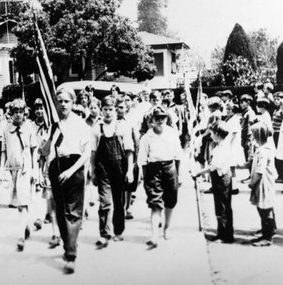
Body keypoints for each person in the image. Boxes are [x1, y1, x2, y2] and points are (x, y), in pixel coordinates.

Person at [44, 87, 91, 274]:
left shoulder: (80, 124)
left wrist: (71, 171)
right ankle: (68, 246)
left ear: (73, 103)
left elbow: (86, 152)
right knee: (61, 211)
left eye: (66, 101)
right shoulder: (54, 124)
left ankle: (71, 255)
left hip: (74, 167)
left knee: (73, 211)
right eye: (60, 101)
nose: (63, 104)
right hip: (57, 167)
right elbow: (46, 151)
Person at [90, 96, 134, 248]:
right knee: (105, 202)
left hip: (120, 168)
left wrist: (130, 171)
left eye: (110, 109)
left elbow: (129, 151)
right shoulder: (97, 128)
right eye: (105, 110)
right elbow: (93, 153)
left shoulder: (122, 127)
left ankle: (119, 231)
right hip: (103, 168)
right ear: (101, 110)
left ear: (115, 110)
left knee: (118, 201)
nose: (108, 113)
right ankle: (104, 233)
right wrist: (93, 171)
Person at [137, 106, 182, 248]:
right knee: (155, 203)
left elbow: (178, 155)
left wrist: (178, 175)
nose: (160, 120)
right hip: (153, 169)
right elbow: (143, 160)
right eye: (157, 118)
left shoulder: (172, 134)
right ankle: (154, 235)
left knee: (170, 201)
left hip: (170, 167)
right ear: (152, 120)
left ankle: (166, 229)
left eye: (163, 117)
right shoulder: (146, 137)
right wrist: (144, 178)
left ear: (167, 118)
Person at [0, 99, 38, 252]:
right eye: (15, 112)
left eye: (20, 112)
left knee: (23, 202)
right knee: (19, 202)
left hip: (25, 169)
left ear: (24, 113)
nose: (18, 115)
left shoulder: (29, 128)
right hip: (11, 169)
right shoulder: (6, 129)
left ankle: (21, 236)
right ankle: (26, 226)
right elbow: (3, 150)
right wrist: (3, 170)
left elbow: (34, 150)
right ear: (11, 113)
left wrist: (35, 170)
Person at [192, 121, 234, 243]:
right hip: (218, 180)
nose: (210, 136)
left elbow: (213, 167)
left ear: (217, 133)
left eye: (211, 133)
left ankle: (226, 236)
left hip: (222, 180)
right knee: (219, 207)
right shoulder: (219, 146)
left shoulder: (222, 149)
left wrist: (198, 173)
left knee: (223, 208)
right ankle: (220, 233)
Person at [244, 122, 277, 246]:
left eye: (253, 134)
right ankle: (266, 231)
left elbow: (260, 171)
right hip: (262, 182)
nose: (252, 136)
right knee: (263, 207)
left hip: (263, 183)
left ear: (258, 135)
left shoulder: (264, 151)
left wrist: (252, 183)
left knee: (265, 208)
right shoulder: (262, 148)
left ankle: (267, 237)